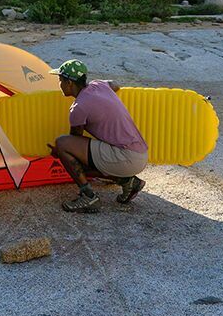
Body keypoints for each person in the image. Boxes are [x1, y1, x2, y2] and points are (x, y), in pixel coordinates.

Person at [47, 59, 148, 213]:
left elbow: (73, 142)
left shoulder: (78, 108)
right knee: (82, 160)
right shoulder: (99, 85)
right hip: (140, 155)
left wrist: (57, 152)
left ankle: (89, 196)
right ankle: (129, 182)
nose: (59, 84)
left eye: (60, 80)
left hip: (126, 157)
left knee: (63, 146)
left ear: (69, 83)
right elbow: (115, 85)